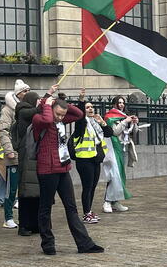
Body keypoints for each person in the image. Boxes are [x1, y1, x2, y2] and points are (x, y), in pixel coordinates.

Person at [33, 85, 104, 255]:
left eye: (62, 115)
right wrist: (47, 103)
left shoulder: (61, 119)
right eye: (58, 114)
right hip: (47, 169)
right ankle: (48, 244)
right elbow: (47, 120)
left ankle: (84, 243)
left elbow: (78, 114)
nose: (60, 117)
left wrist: (62, 102)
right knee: (45, 208)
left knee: (71, 207)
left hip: (63, 167)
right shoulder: (39, 118)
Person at [72, 88, 114, 224]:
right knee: (87, 186)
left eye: (92, 107)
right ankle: (86, 213)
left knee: (93, 186)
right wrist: (81, 100)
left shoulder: (95, 123)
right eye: (87, 107)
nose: (90, 109)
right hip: (84, 159)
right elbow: (79, 116)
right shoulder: (82, 124)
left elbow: (109, 133)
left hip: (96, 159)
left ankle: (89, 211)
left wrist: (102, 121)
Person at [0, 79, 30, 228]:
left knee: (26, 187)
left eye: (28, 91)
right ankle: (8, 217)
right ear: (18, 94)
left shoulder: (28, 108)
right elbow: (3, 131)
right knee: (12, 188)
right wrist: (9, 150)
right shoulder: (7, 110)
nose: (27, 93)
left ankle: (25, 215)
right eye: (24, 91)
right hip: (14, 154)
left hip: (27, 153)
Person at [102, 95, 138, 213]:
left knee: (121, 175)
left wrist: (134, 123)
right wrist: (125, 122)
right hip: (113, 147)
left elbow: (133, 132)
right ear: (114, 104)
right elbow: (115, 132)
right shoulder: (110, 116)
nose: (122, 104)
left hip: (123, 148)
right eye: (119, 102)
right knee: (113, 175)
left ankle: (115, 201)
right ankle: (107, 201)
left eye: (123, 102)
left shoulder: (124, 116)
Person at [14, 91, 41, 236]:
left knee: (36, 193)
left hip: (35, 156)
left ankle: (35, 224)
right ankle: (24, 225)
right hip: (26, 158)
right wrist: (48, 97)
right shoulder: (23, 112)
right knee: (26, 193)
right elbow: (37, 110)